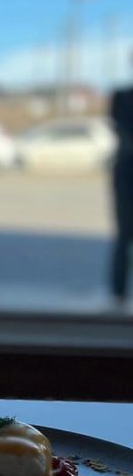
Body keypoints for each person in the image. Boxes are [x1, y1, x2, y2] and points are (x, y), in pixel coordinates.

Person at [109, 71, 133, 304]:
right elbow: (120, 130)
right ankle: (118, 294)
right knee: (124, 235)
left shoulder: (121, 97)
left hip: (124, 168)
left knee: (123, 236)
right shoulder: (121, 96)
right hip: (126, 171)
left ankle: (118, 293)